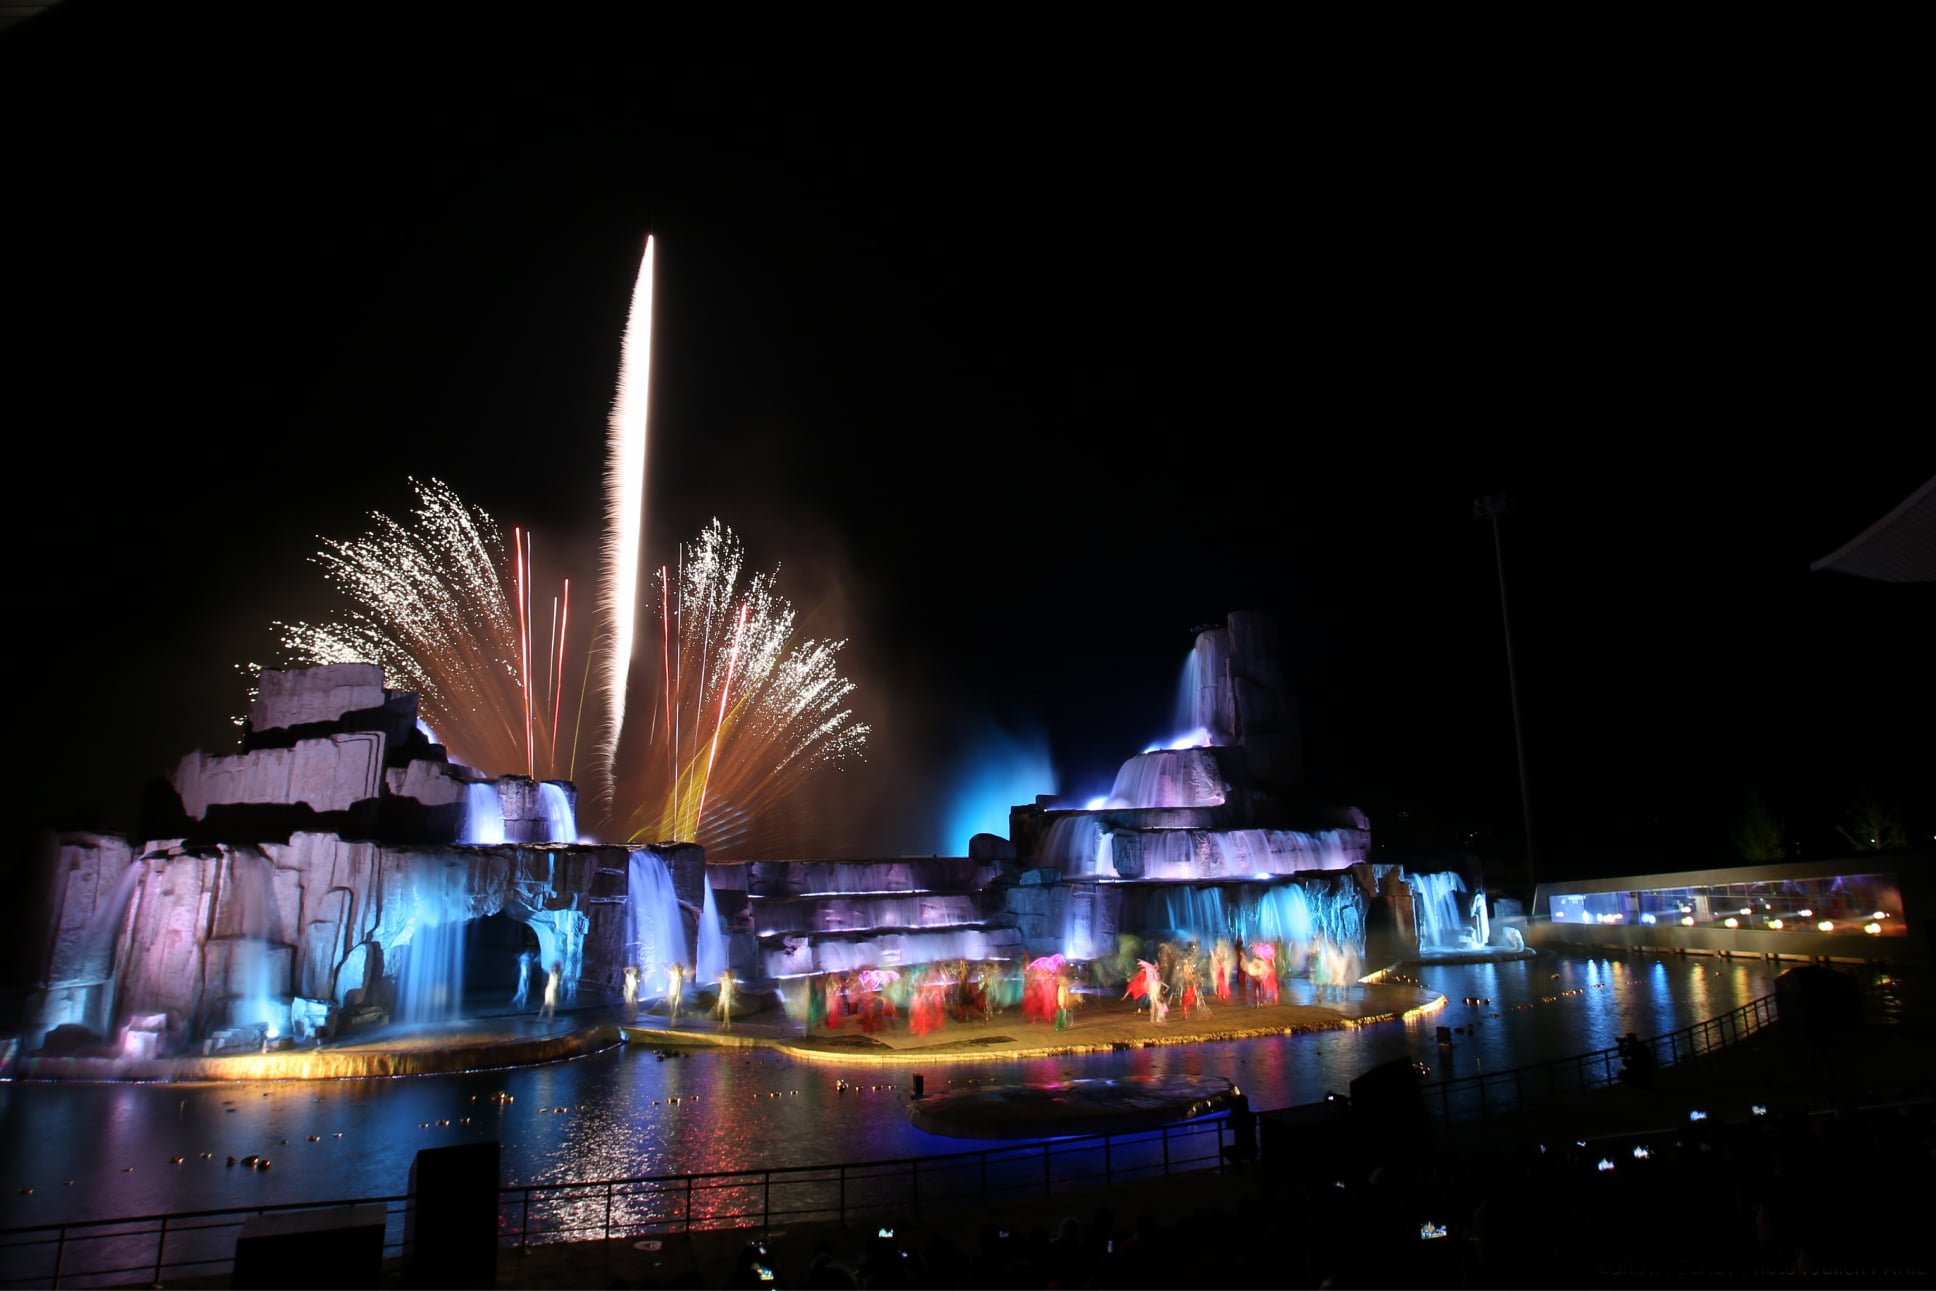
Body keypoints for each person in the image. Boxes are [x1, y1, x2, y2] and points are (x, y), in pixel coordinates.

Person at [1223, 1093, 1257, 1172]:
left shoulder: (1237, 1116)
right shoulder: (1251, 1116)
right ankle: (1254, 1165)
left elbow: (1229, 1125)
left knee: (1225, 1150)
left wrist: (1233, 1112)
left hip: (1241, 1149)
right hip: (1253, 1148)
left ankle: (1239, 1166)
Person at [666, 962, 687, 1029]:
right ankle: (676, 1019)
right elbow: (667, 970)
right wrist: (664, 967)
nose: (675, 968)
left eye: (676, 967)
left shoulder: (681, 976)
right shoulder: (672, 973)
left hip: (678, 994)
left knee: (676, 1007)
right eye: (674, 967)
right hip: (672, 992)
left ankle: (674, 1020)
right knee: (673, 1007)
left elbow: (686, 972)